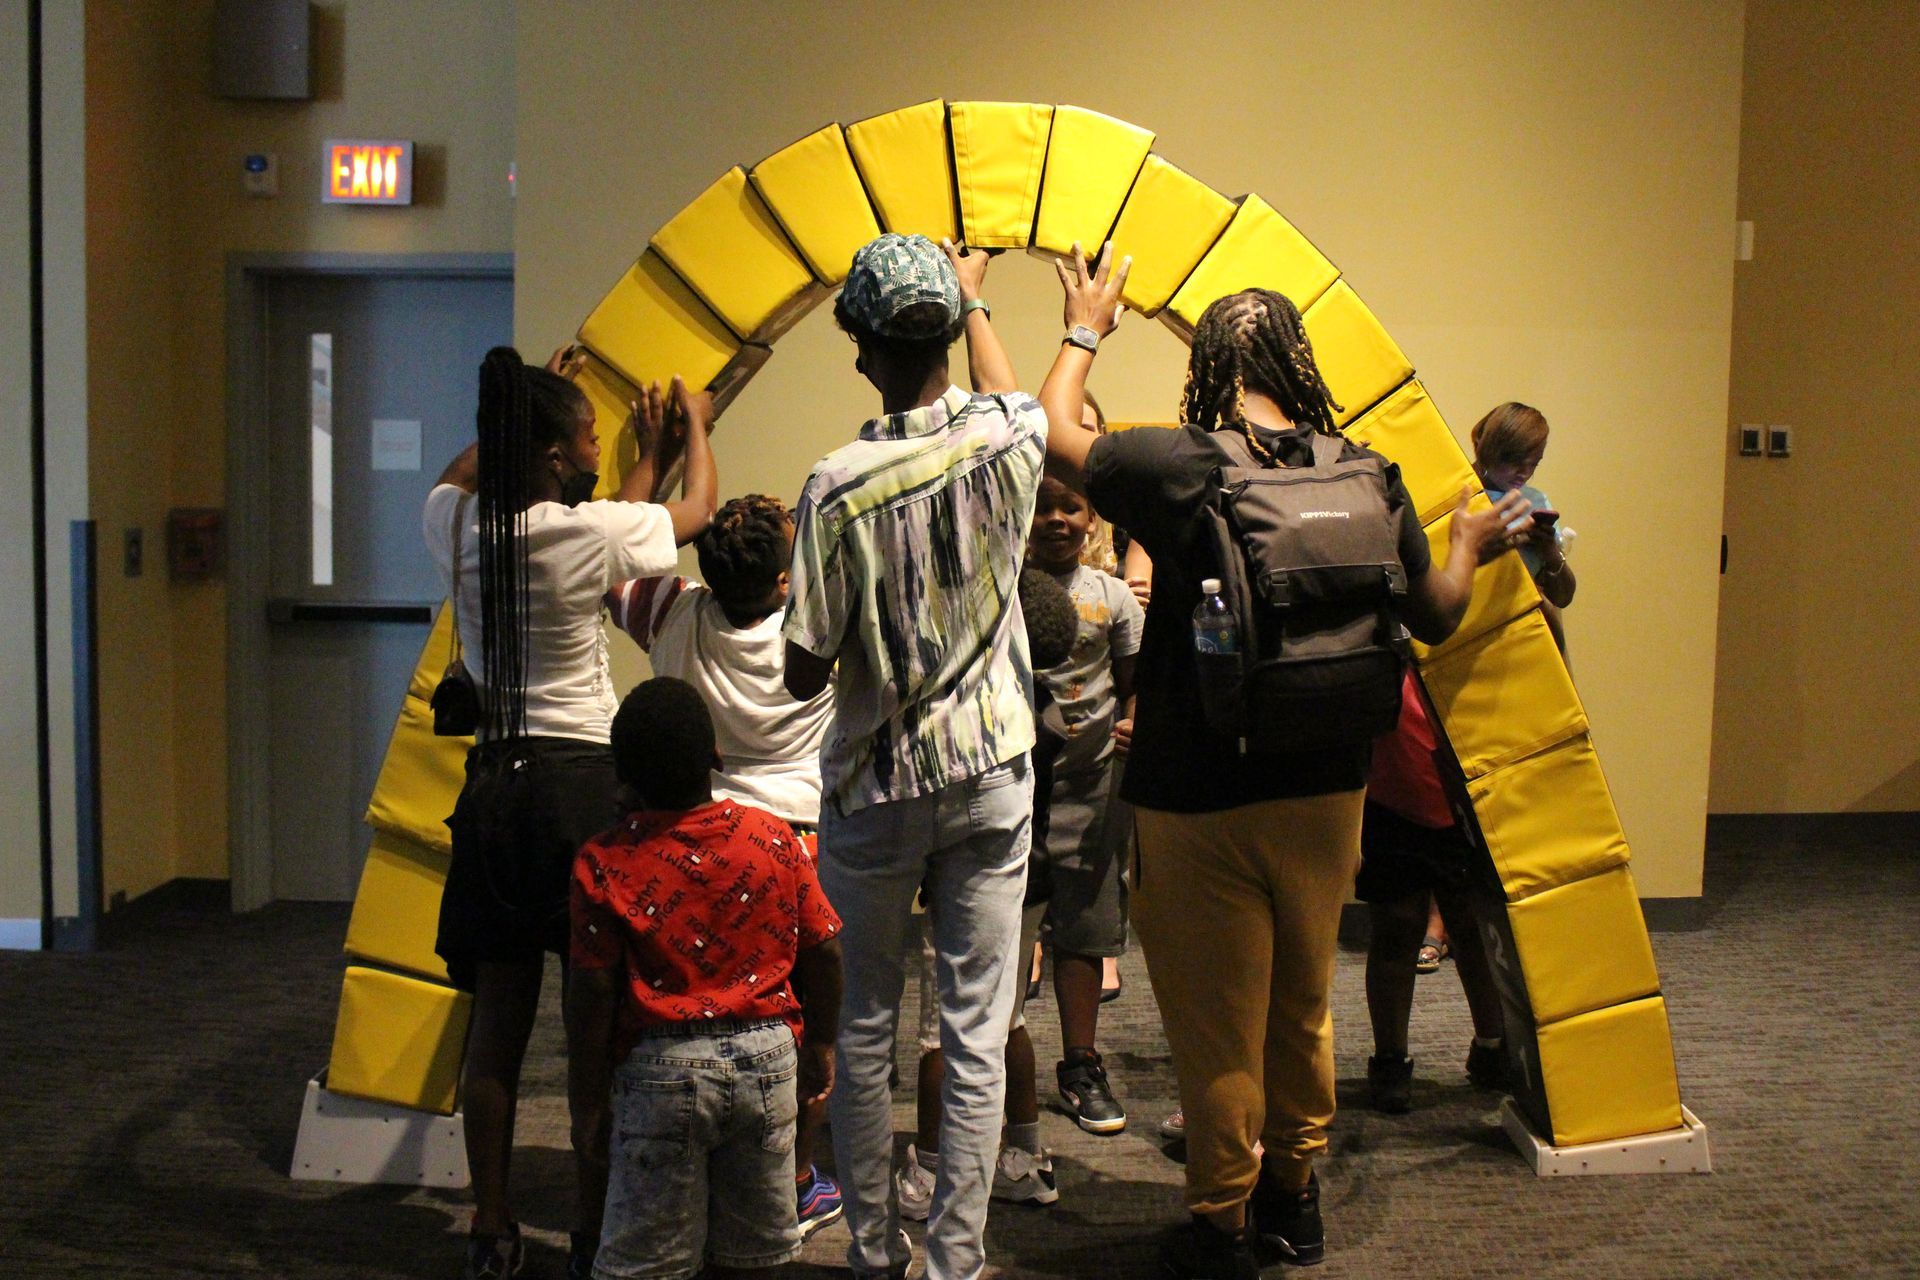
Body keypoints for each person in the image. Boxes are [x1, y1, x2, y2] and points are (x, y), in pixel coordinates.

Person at [1036, 244, 1528, 1279]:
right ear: (1301, 362)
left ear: (1210, 365)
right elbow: (1436, 614)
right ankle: (1294, 1201)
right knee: (1302, 1005)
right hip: (1331, 786)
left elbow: (1052, 426)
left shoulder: (1179, 464)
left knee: (1217, 1023)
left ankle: (1221, 1223)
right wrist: (1469, 543)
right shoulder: (1366, 470)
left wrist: (1086, 325)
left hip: (1198, 794)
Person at [782, 232, 1081, 1280]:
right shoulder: (1013, 438)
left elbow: (803, 672)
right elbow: (1012, 393)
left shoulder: (836, 486)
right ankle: (958, 1259)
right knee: (975, 1026)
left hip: (877, 785)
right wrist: (977, 298)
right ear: (951, 330)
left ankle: (875, 1251)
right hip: (994, 772)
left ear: (861, 349)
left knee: (864, 1023)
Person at [423, 349, 717, 1280]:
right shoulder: (585, 532)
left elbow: (471, 477)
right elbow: (694, 512)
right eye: (588, 435)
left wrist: (518, 416)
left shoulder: (460, 524)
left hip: (494, 793)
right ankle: (593, 1227)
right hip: (582, 792)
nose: (600, 446)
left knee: (497, 1026)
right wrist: (695, 430)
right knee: (594, 1028)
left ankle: (492, 1225)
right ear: (554, 455)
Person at [604, 490, 844, 1240]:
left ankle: (688, 1165)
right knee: (790, 1018)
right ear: (784, 579)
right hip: (795, 845)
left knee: (696, 1007)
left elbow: (616, 565)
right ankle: (795, 1179)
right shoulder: (820, 631)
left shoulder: (671, 610)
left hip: (689, 840)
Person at [565, 677, 844, 1280]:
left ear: (623, 777)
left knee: (649, 1263)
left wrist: (586, 1101)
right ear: (715, 756)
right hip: (768, 1062)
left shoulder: (603, 860)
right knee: (752, 1260)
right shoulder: (772, 836)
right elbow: (824, 950)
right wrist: (821, 1043)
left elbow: (591, 991)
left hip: (660, 1072)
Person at [896, 566, 1082, 1220]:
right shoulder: (1047, 708)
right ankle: (1023, 1156)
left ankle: (931, 1169)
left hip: (968, 879)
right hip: (1029, 880)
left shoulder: (980, 713)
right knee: (1007, 1019)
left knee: (939, 1029)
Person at [1027, 475, 1142, 1134]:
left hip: (1092, 783)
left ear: (1092, 519)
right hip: (1015, 785)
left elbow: (1132, 681)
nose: (1056, 519)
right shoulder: (1003, 589)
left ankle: (1080, 1064)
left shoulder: (1113, 596)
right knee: (1005, 930)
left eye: (1070, 507)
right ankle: (996, 1064)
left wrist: (1134, 720)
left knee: (1084, 928)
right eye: (1043, 507)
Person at [1357, 671, 1510, 1113]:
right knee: (1396, 927)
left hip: (1471, 780)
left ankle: (1492, 1047)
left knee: (1474, 928)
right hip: (1389, 787)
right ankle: (1390, 1060)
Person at [1470, 401, 1576, 647]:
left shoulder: (1535, 502)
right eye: (1517, 461)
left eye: (1534, 464)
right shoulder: (1460, 494)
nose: (1525, 473)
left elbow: (1563, 597)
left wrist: (1549, 551)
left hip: (1517, 634)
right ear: (1492, 449)